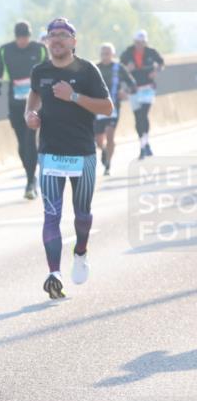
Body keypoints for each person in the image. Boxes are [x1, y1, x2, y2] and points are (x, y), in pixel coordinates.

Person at [24, 19, 114, 299]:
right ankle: (54, 274)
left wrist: (73, 96)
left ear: (74, 41)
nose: (57, 40)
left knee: (82, 214)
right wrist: (30, 115)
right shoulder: (40, 71)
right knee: (51, 215)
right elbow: (34, 96)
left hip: (82, 154)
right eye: (52, 36)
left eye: (63, 35)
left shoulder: (88, 70)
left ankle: (81, 251)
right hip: (50, 153)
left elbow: (107, 106)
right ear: (47, 41)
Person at [0, 21, 49, 199]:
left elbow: (49, 70)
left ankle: (30, 183)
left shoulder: (39, 49)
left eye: (25, 37)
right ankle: (31, 176)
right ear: (15, 37)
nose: (22, 41)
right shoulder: (5, 50)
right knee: (22, 144)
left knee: (30, 139)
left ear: (29, 36)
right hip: (15, 102)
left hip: (35, 102)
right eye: (19, 38)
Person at [119, 30, 165, 159]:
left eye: (143, 42)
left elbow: (161, 63)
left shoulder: (151, 52)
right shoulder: (128, 52)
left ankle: (143, 147)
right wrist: (128, 68)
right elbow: (119, 67)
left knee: (144, 114)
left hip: (148, 88)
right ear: (134, 42)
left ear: (146, 42)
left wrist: (156, 71)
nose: (140, 45)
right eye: (138, 43)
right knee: (138, 117)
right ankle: (144, 144)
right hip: (133, 89)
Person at [94, 43, 136, 176]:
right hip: (98, 108)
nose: (105, 56)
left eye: (107, 53)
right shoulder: (95, 68)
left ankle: (108, 165)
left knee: (110, 134)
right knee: (98, 140)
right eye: (103, 54)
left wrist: (125, 92)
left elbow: (133, 85)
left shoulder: (119, 68)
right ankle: (104, 150)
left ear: (113, 54)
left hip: (113, 108)